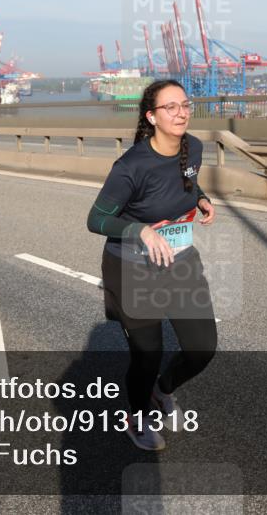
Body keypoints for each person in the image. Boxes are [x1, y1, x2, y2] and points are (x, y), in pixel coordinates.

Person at [86, 79, 217, 451]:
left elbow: (186, 185)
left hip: (180, 261)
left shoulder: (193, 148)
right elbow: (96, 220)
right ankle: (138, 414)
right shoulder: (131, 166)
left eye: (184, 105)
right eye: (170, 107)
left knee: (201, 347)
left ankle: (163, 391)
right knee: (147, 355)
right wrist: (140, 231)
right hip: (132, 269)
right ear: (152, 116)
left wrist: (203, 199)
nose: (180, 113)